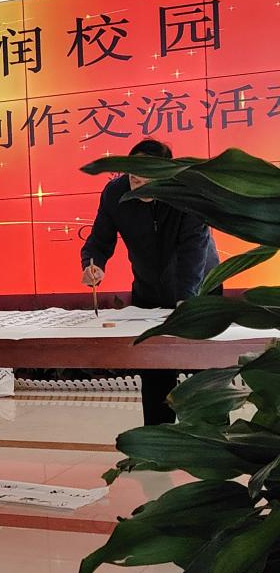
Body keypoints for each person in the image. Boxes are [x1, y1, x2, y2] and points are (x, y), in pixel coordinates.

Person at [81, 138, 219, 425]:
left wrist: (187, 299)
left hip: (200, 287)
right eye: (134, 178)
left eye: (148, 179)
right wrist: (93, 264)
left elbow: (193, 249)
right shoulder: (115, 192)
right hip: (149, 289)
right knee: (155, 365)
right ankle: (158, 437)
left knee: (205, 367)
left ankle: (212, 437)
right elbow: (100, 238)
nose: (139, 185)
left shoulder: (187, 192)